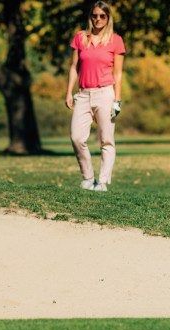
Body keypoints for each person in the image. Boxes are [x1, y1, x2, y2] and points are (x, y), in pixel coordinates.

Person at [65, 1, 126, 192]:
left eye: (102, 16)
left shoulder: (116, 40)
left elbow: (118, 73)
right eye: (94, 15)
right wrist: (68, 92)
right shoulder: (80, 38)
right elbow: (74, 67)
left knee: (106, 140)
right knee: (76, 137)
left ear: (108, 18)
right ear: (90, 17)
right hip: (83, 94)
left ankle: (102, 181)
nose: (98, 19)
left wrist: (117, 100)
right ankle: (88, 177)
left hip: (105, 93)